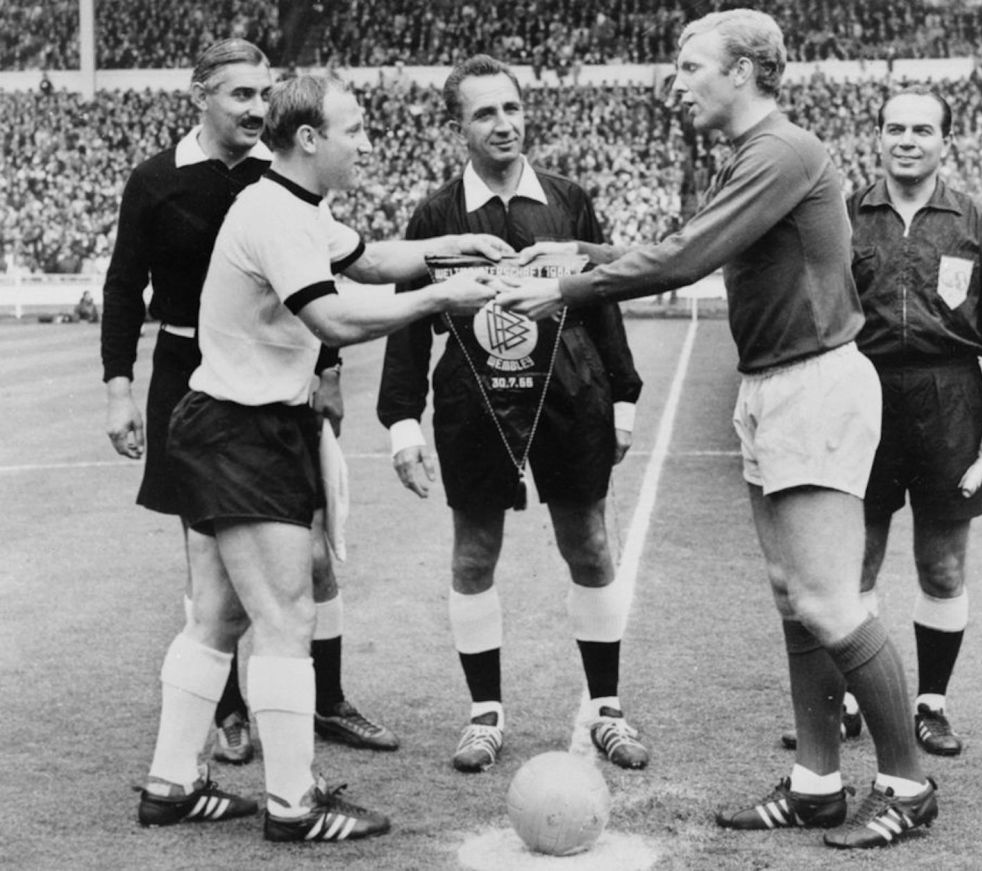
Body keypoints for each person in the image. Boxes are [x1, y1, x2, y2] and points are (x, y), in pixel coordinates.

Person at [498, 9, 938, 850]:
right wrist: (578, 255)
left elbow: (686, 258)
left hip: (813, 383)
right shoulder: (752, 156)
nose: (677, 79)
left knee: (828, 599)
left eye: (691, 64)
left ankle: (908, 782)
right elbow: (679, 245)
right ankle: (816, 784)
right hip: (775, 383)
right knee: (791, 596)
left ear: (743, 70)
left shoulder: (781, 151)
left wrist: (566, 289)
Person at [135, 70, 509, 841]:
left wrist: (450, 246)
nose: (368, 143)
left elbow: (369, 261)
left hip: (226, 423)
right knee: (285, 615)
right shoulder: (274, 213)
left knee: (220, 614)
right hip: (243, 429)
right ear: (309, 139)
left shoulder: (297, 204)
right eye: (356, 130)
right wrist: (445, 297)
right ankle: (293, 803)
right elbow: (335, 318)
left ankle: (171, 784)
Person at [101, 39, 398, 767]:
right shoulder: (156, 180)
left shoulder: (282, 179)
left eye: (265, 95)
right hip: (193, 377)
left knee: (315, 555)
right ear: (198, 94)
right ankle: (233, 715)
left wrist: (328, 371)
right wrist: (119, 388)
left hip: (284, 375)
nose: (256, 109)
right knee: (215, 567)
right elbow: (121, 286)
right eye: (239, 95)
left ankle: (324, 701)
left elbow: (317, 277)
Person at [376, 54, 647, 775]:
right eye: (484, 113)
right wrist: (402, 421)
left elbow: (603, 297)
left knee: (588, 545)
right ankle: (484, 714)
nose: (504, 124)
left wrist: (623, 395)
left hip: (571, 395)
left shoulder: (567, 199)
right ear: (457, 127)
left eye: (511, 108)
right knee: (473, 553)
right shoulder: (436, 215)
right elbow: (409, 320)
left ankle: (607, 708)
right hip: (473, 404)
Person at [845, 86, 982, 756]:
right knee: (853, 562)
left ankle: (931, 702)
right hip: (863, 394)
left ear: (943, 141)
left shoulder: (977, 221)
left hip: (950, 397)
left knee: (943, 565)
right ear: (877, 135)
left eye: (922, 129)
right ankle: (849, 699)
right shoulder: (843, 215)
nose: (907, 140)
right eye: (895, 127)